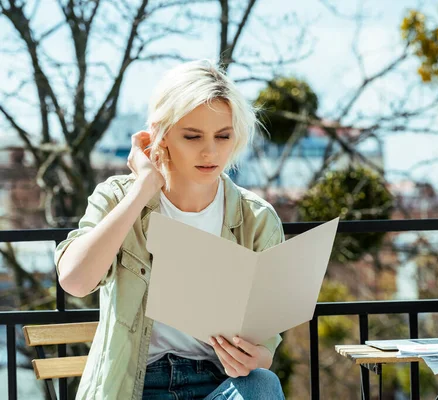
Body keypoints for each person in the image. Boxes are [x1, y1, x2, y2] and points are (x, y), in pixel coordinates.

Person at [55, 60, 286, 400]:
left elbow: (265, 343)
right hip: (131, 388)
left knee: (263, 384)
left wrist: (256, 357)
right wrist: (144, 186)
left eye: (223, 136)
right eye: (192, 136)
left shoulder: (257, 219)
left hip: (217, 385)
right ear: (160, 135)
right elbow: (75, 280)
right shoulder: (119, 197)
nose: (210, 151)